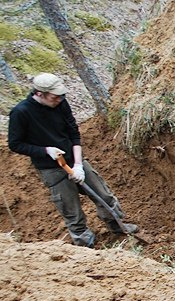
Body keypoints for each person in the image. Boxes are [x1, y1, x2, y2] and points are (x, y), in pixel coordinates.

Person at [8, 73, 139, 248]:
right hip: (51, 169)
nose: (59, 99)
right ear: (40, 93)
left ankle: (118, 225)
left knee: (103, 195)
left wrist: (78, 165)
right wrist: (46, 151)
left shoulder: (60, 104)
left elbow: (74, 134)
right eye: (55, 97)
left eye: (61, 96)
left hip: (73, 159)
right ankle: (84, 242)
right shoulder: (21, 112)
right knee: (71, 209)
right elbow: (15, 144)